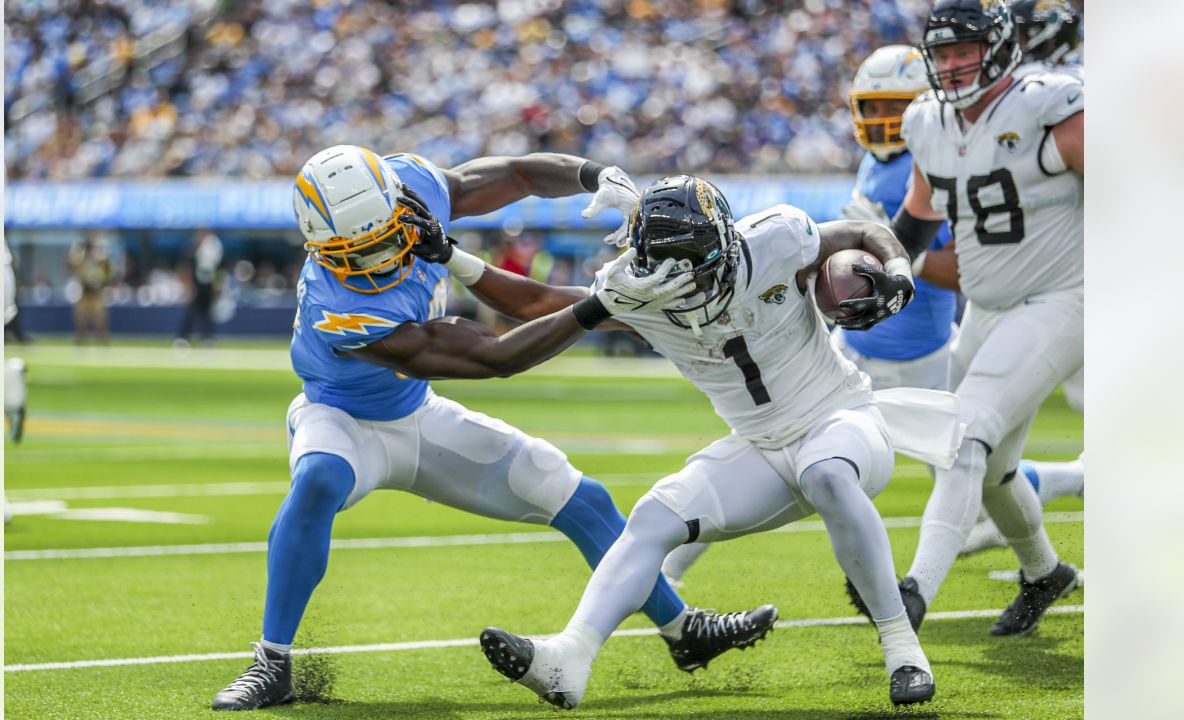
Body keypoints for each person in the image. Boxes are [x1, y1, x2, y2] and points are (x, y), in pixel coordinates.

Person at [211, 146, 775, 711]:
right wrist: (602, 306)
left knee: (577, 495)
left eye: (386, 236)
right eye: (357, 251)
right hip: (341, 418)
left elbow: (519, 173)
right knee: (319, 478)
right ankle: (273, 663)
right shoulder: (336, 306)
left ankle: (683, 630)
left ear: (397, 204)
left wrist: (594, 175)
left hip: (416, 412)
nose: (380, 258)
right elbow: (494, 357)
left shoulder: (416, 185)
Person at [465, 175, 960, 707]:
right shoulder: (630, 287)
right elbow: (536, 301)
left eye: (698, 269)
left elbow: (863, 229)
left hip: (840, 416)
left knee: (826, 473)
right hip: (758, 447)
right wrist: (455, 257)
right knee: (653, 516)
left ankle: (902, 646)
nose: (693, 286)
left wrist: (900, 270)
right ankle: (569, 657)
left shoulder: (775, 237)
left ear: (726, 242)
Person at [662, 44, 961, 589]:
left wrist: (893, 253)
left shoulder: (935, 165)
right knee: (771, 440)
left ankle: (1039, 561)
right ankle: (672, 572)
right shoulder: (877, 164)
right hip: (851, 346)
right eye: (870, 108)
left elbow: (965, 271)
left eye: (892, 106)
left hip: (925, 349)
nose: (879, 120)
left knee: (970, 465)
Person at [887, 0, 1084, 636]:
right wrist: (885, 274)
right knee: (993, 468)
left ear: (999, 46)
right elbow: (917, 220)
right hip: (988, 309)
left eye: (963, 49)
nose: (951, 64)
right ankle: (1044, 573)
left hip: (1065, 296)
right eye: (941, 53)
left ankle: (911, 594)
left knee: (963, 437)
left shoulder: (1047, 103)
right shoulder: (927, 122)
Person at [176, 229, 224, 346]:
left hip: (208, 285)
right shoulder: (196, 248)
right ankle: (184, 337)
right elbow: (190, 265)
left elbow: (217, 268)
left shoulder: (213, 246)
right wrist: (190, 285)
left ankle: (207, 338)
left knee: (207, 313)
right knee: (192, 311)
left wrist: (217, 286)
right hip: (198, 284)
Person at [67, 231, 112, 345]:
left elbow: (108, 272)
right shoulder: (80, 256)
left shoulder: (100, 257)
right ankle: (81, 339)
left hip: (96, 292)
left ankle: (102, 340)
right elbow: (71, 266)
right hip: (85, 291)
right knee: (81, 318)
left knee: (99, 318)